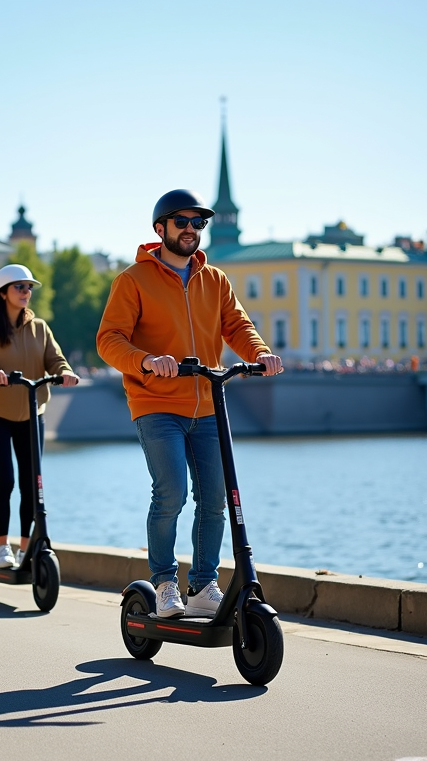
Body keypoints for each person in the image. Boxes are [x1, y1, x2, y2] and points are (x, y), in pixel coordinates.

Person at [97, 189, 283, 618]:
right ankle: (164, 583)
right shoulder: (132, 280)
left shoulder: (214, 279)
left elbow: (236, 325)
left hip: (207, 406)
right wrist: (146, 361)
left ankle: (202, 585)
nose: (190, 230)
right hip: (156, 404)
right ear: (160, 228)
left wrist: (259, 353)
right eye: (181, 222)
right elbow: (109, 340)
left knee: (216, 499)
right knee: (171, 494)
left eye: (198, 223)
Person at [0, 264, 79, 568]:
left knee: (33, 484)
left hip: (32, 415)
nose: (26, 292)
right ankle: (2, 548)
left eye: (29, 287)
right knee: (4, 482)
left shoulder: (39, 327)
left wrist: (65, 373)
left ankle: (25, 549)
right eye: (19, 287)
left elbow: (55, 359)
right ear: (2, 293)